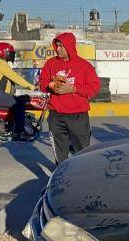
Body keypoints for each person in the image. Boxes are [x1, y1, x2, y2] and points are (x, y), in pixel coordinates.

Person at [39, 32, 100, 163]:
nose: (58, 49)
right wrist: (51, 84)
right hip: (56, 115)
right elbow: (42, 83)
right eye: (57, 46)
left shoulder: (84, 65)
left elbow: (94, 87)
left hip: (77, 116)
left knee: (82, 151)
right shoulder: (51, 64)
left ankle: (82, 178)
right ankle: (61, 179)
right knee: (60, 153)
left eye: (62, 46)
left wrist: (73, 89)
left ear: (70, 47)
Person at [0, 42, 36, 140]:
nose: (12, 55)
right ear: (4, 53)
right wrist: (31, 87)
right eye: (10, 53)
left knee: (18, 100)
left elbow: (8, 81)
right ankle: (19, 132)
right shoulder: (0, 63)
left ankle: (12, 128)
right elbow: (15, 77)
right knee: (18, 104)